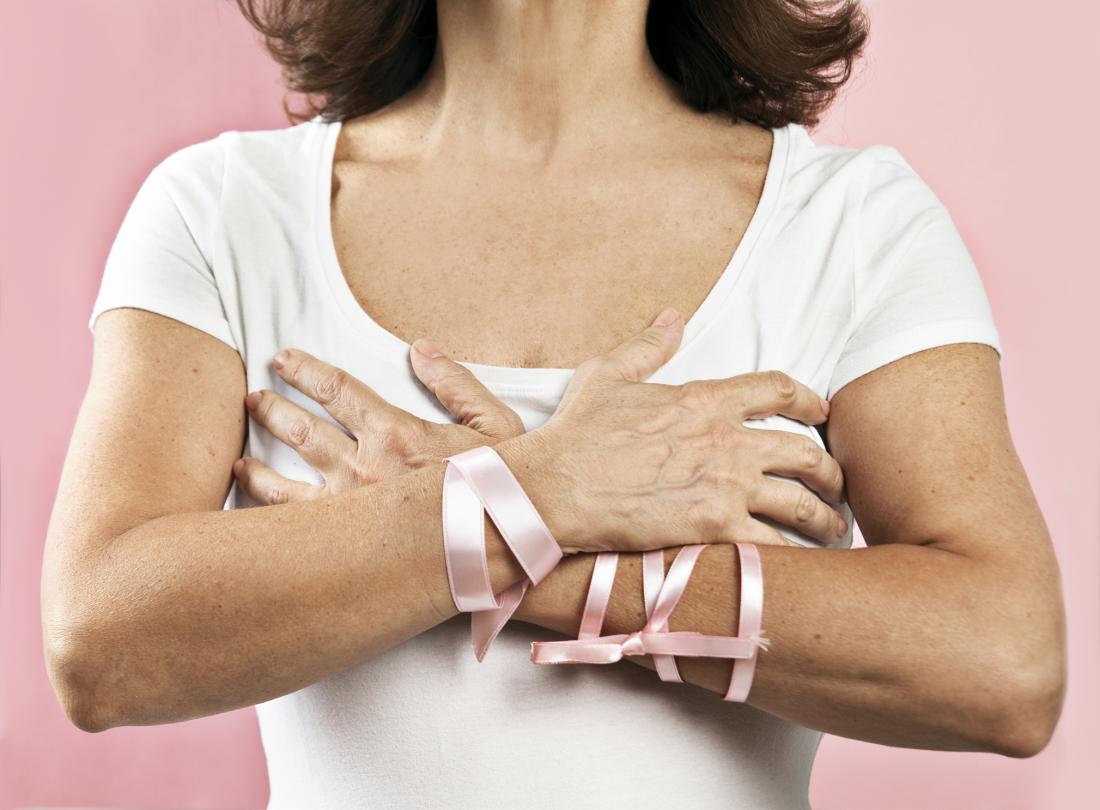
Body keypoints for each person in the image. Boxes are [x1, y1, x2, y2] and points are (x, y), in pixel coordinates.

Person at [43, 1, 1066, 808]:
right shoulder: (222, 210)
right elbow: (102, 642)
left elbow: (1002, 663)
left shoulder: (850, 224)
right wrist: (533, 489)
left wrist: (518, 534)